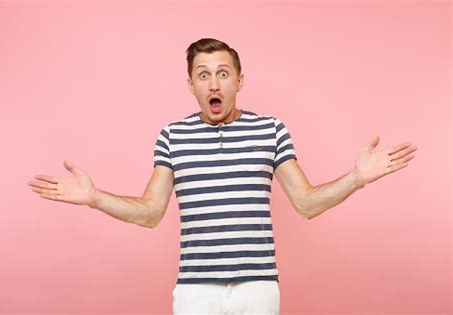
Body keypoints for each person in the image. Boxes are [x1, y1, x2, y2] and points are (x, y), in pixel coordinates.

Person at [27, 38, 417, 315]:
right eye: (203, 75)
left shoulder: (271, 130)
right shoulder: (172, 135)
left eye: (223, 73)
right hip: (195, 291)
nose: (214, 84)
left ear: (239, 80)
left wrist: (356, 177)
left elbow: (306, 203)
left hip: (258, 288)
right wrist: (95, 197)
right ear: (191, 85)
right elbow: (150, 212)